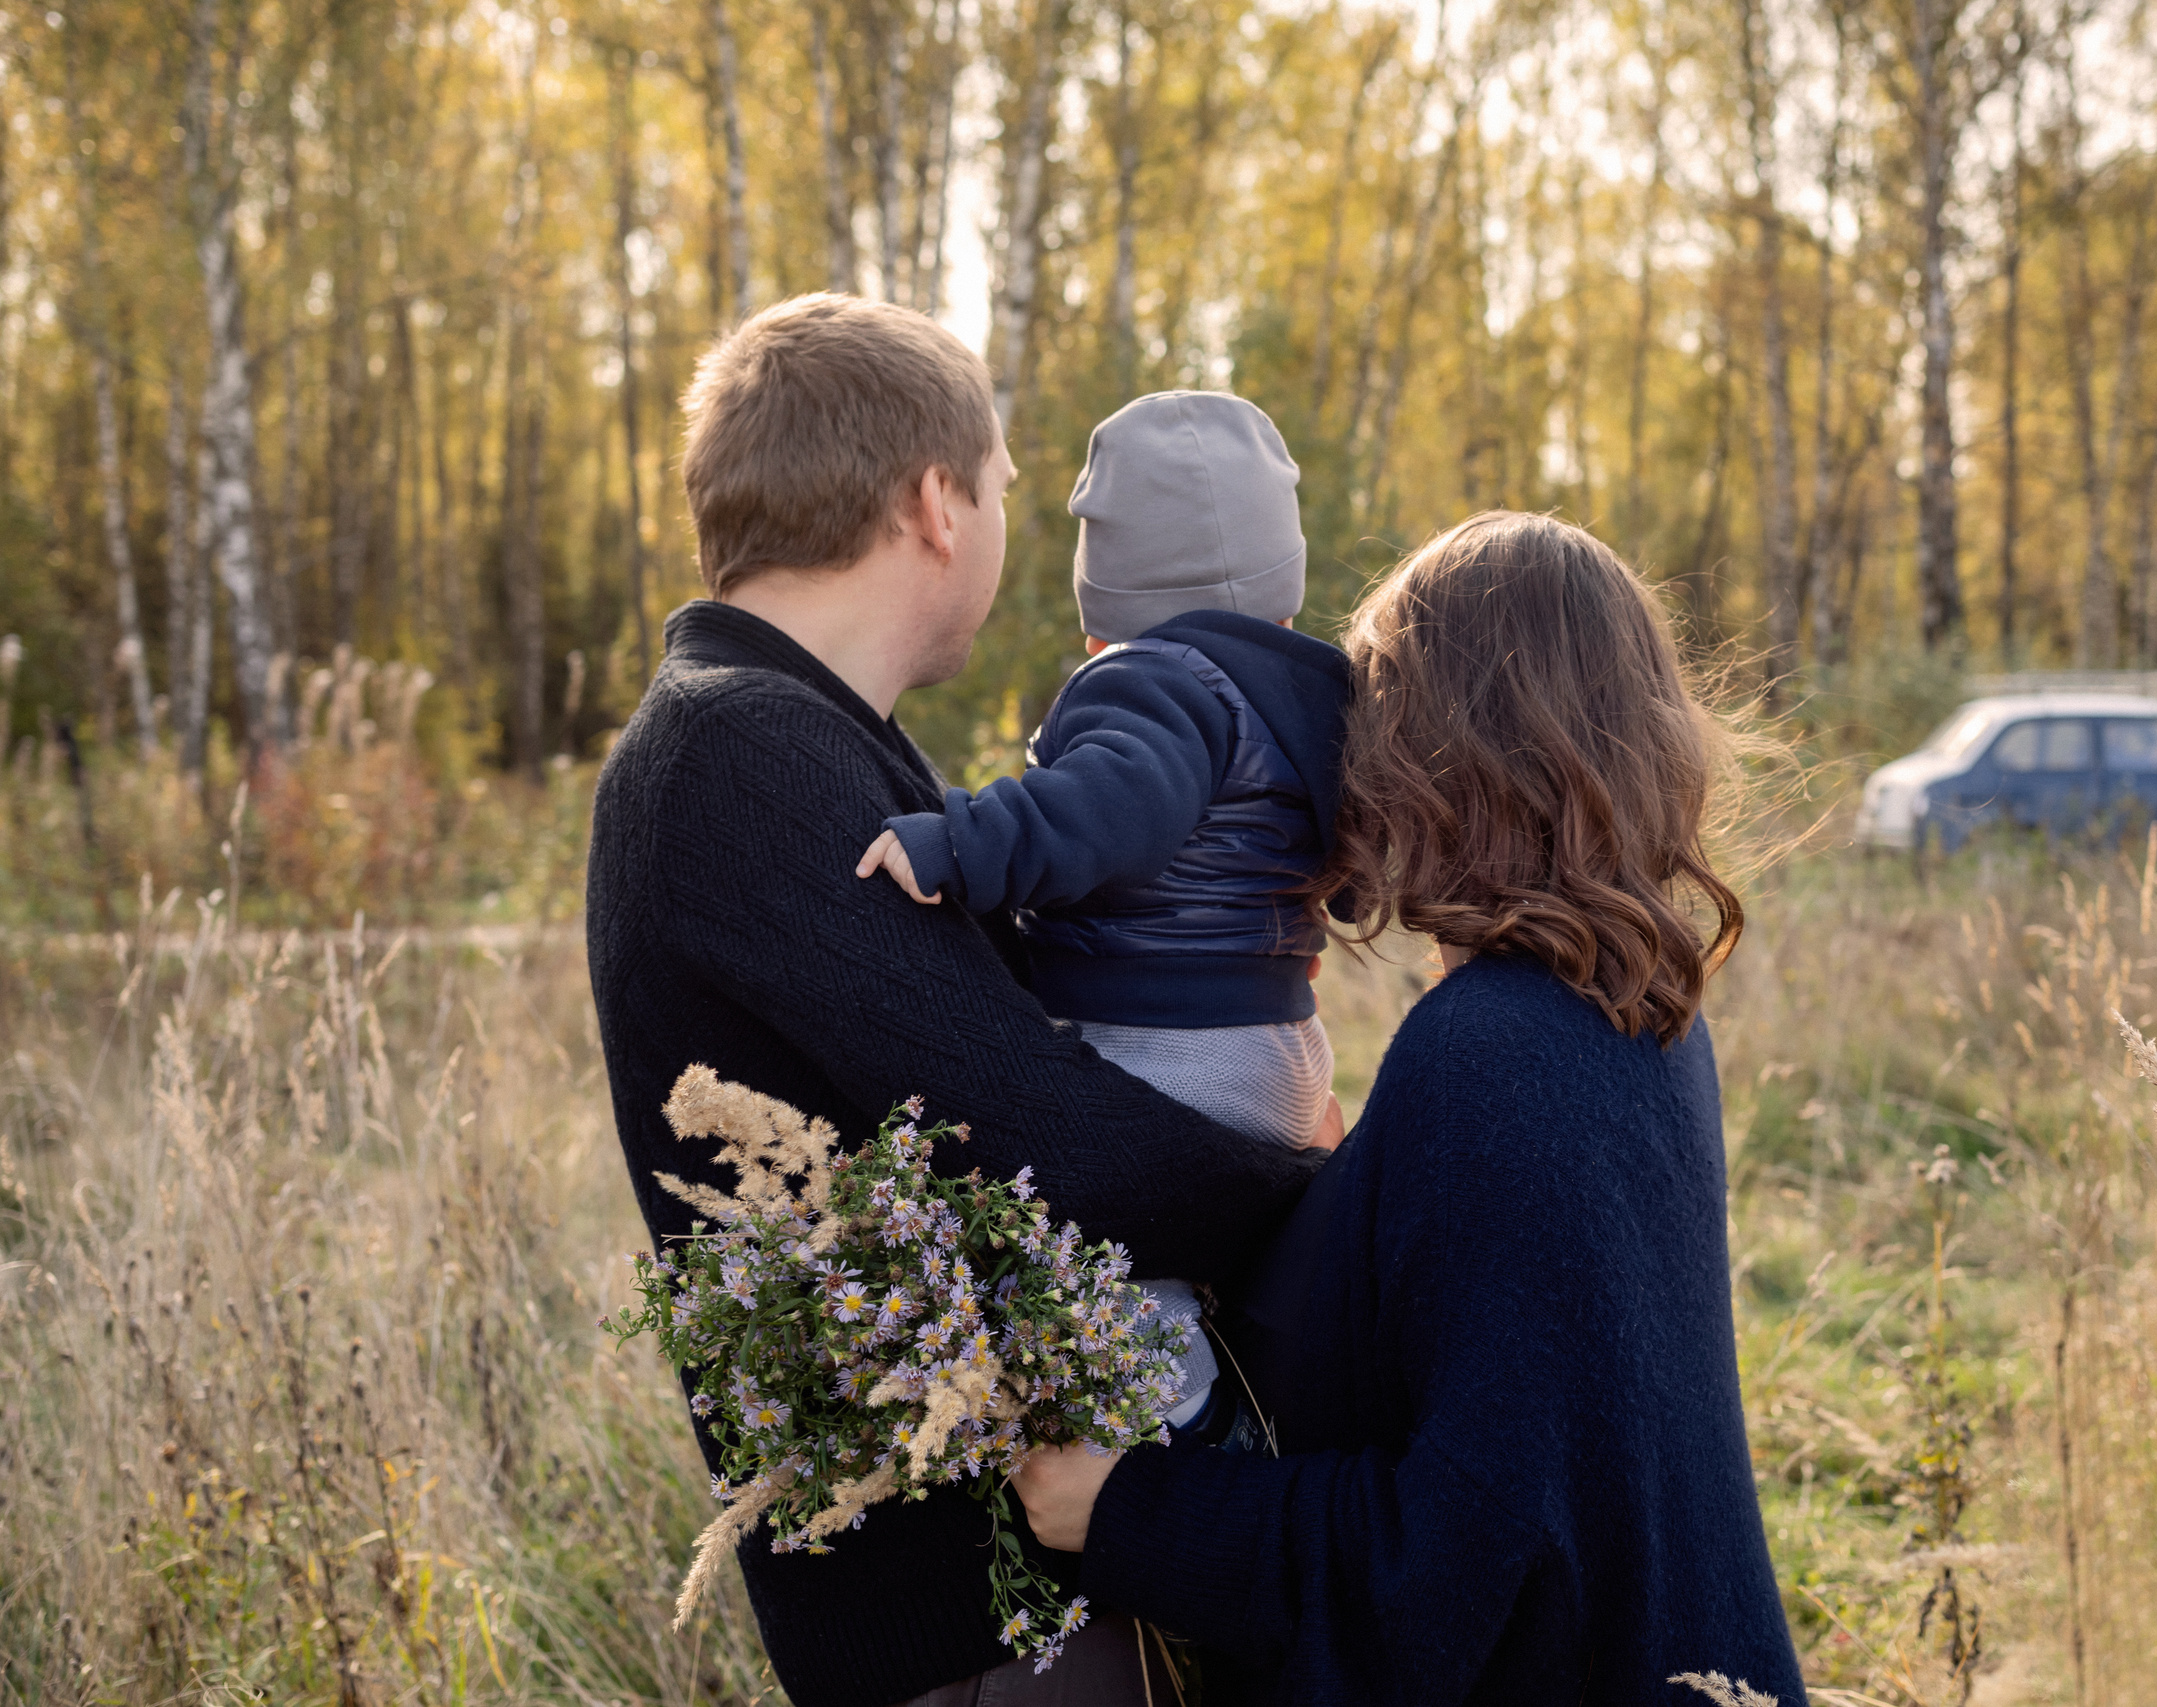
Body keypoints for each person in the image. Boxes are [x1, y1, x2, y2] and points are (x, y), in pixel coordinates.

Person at [585, 295, 1325, 1707]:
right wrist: (1326, 1181)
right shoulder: (738, 754)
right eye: (999, 486)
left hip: (1005, 1585)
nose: (1004, 522)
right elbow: (1053, 1142)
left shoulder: (801, 736)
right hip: (963, 1627)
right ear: (935, 500)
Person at [1012, 512, 1810, 1706]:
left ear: (1437, 746)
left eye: (1369, 703)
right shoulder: (1631, 1009)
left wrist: (1129, 1508)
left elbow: (1463, 1556)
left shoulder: (1497, 1050)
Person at [854, 390, 1351, 1423]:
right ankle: (1272, 1399)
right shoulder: (1304, 700)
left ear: (1105, 594)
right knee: (1210, 1257)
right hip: (1277, 1041)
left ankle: (1179, 1429)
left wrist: (961, 841)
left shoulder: (1156, 683)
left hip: (1164, 1041)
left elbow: (1111, 807)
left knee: (1098, 1259)